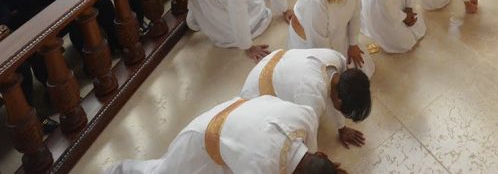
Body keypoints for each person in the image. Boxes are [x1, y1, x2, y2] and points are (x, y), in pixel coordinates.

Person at [105, 95, 339, 174]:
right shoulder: (262, 166)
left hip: (237, 119)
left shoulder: (306, 117)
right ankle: (120, 169)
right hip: (204, 136)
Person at [239, 48, 371, 149]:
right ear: (339, 101)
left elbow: (341, 93)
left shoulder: (338, 59)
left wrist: (342, 128)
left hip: (276, 61)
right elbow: (309, 142)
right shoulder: (312, 99)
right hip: (258, 91)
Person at [288, 0, 372, 77]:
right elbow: (318, 40)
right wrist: (332, 66)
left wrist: (353, 44)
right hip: (314, 39)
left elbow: (356, 14)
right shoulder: (314, 0)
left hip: (338, 32)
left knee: (361, 67)